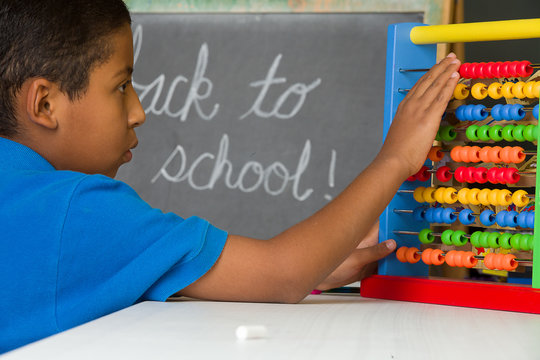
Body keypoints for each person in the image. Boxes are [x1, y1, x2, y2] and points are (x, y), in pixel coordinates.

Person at [0, 0, 460, 353]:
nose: (138, 111)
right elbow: (282, 273)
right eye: (121, 86)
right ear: (44, 104)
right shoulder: (77, 209)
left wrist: (319, 268)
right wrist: (396, 158)